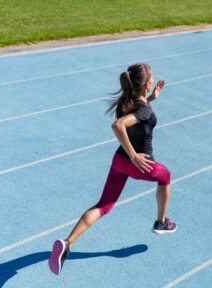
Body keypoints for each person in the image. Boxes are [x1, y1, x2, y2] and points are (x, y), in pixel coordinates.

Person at [49, 63, 176, 276]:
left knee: (104, 205)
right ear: (146, 82)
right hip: (140, 165)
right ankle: (161, 222)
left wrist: (151, 98)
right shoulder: (142, 110)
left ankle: (67, 243)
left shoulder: (128, 102)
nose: (153, 79)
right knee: (166, 176)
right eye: (151, 76)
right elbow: (119, 126)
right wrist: (135, 155)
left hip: (119, 161)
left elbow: (136, 115)